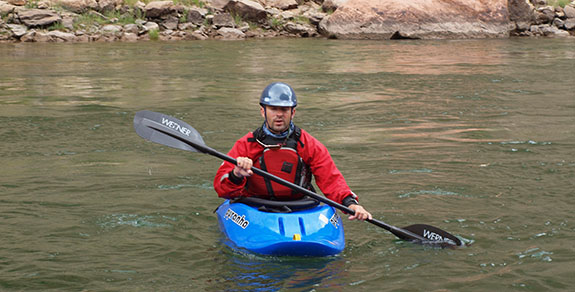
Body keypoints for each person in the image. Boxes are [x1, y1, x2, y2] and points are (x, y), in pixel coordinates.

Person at [213, 82, 372, 221]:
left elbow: (331, 179)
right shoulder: (246, 145)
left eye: (284, 109)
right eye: (273, 109)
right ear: (263, 111)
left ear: (292, 112)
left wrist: (351, 204)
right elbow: (222, 189)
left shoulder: (308, 144)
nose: (279, 114)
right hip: (254, 208)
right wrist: (236, 174)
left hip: (301, 206)